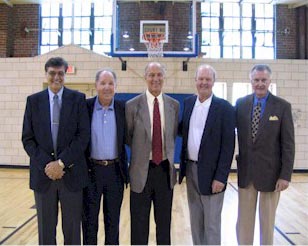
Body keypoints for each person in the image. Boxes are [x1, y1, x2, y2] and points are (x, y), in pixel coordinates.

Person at [21, 57, 90, 245]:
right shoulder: (33, 101)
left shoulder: (77, 99)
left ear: (65, 74)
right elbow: (28, 139)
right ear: (46, 74)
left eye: (60, 73)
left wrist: (60, 163)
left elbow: (83, 136)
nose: (56, 77)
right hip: (43, 177)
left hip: (72, 175)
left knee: (73, 233)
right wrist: (48, 165)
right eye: (52, 73)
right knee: (45, 233)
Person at [235, 64, 295, 245]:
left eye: (263, 80)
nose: (260, 84)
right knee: (244, 223)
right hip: (246, 173)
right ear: (251, 81)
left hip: (272, 175)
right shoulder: (241, 104)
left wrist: (285, 176)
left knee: (267, 223)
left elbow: (288, 144)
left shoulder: (282, 106)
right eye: (256, 80)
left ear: (269, 81)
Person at [179, 64, 235, 245]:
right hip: (191, 169)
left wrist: (221, 177)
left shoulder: (225, 108)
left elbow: (228, 146)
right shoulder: (188, 104)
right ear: (195, 81)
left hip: (212, 175)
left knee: (211, 224)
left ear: (213, 82)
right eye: (200, 79)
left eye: (207, 79)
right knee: (196, 222)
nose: (204, 82)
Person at [125, 62, 179, 245]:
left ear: (164, 77)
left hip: (164, 171)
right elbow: (128, 137)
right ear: (145, 77)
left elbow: (172, 135)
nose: (155, 79)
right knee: (139, 226)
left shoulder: (174, 105)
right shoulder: (132, 106)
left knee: (164, 225)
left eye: (159, 75)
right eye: (151, 75)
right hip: (141, 171)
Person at [82, 68, 128, 245]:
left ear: (116, 86)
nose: (107, 87)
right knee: (89, 222)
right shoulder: (85, 107)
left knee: (112, 222)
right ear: (96, 85)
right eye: (103, 83)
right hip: (91, 172)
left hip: (115, 172)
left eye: (111, 83)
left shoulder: (123, 109)